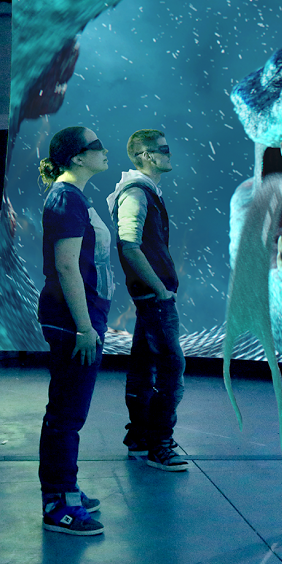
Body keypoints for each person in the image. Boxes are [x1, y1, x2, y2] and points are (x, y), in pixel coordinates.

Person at [37, 126, 112, 536]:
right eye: (96, 146)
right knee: (67, 414)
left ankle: (65, 487)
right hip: (73, 323)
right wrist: (84, 326)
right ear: (78, 157)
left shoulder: (73, 196)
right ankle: (58, 502)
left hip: (80, 320)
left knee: (68, 411)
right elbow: (67, 266)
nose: (104, 150)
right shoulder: (67, 198)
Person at [106, 130, 187, 472]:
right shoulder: (137, 193)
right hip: (155, 297)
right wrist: (160, 289)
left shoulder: (142, 191)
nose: (170, 154)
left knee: (143, 366)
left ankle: (140, 438)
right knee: (170, 369)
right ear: (146, 155)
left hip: (150, 295)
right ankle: (159, 445)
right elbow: (130, 247)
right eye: (164, 149)